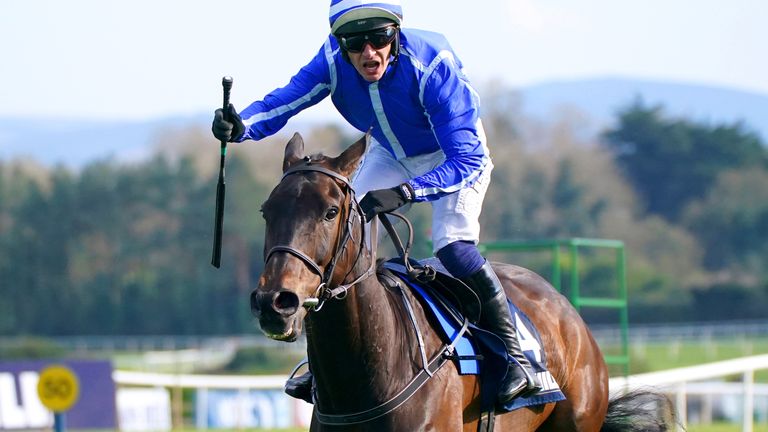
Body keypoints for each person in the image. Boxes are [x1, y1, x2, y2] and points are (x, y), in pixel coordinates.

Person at [211, 0, 541, 405]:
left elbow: (466, 160)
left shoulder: (431, 65)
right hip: (389, 153)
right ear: (341, 44)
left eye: (379, 38)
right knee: (341, 239)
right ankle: (321, 364)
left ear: (395, 34)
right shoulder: (331, 61)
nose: (369, 52)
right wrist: (241, 125)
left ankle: (517, 356)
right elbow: (286, 100)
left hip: (453, 155)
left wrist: (408, 191)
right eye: (355, 43)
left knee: (452, 246)